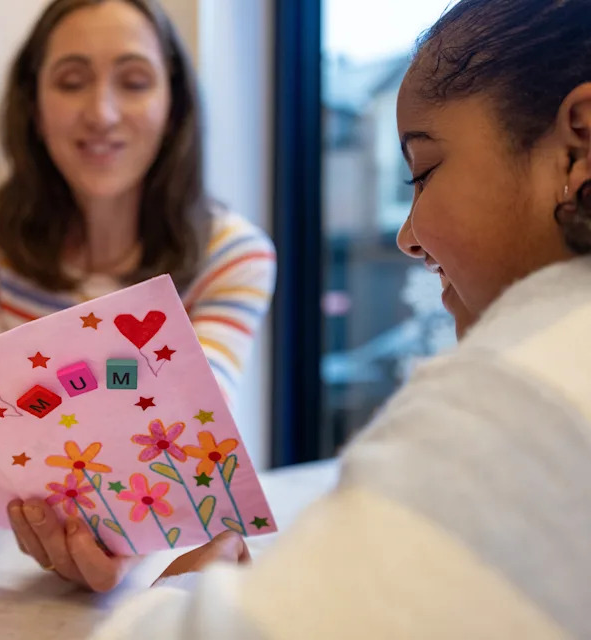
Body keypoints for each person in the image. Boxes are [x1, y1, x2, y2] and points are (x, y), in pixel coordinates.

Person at [90, 0, 591, 636]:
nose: (408, 237)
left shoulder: (519, 397)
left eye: (424, 170)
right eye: (71, 80)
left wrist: (186, 586)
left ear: (581, 147)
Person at [0, 0, 276, 590]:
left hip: (166, 546)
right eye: (72, 82)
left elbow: (193, 423)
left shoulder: (235, 255)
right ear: (34, 105)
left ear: (173, 106)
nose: (101, 113)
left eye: (135, 81)